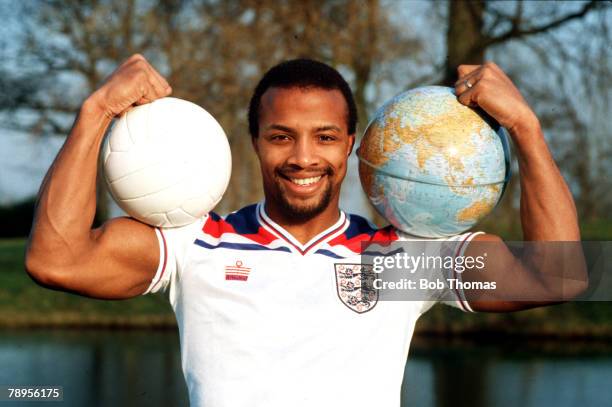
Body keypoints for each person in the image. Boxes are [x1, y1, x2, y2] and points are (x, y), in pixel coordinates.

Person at [25, 55, 587, 406]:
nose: (302, 157)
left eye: (323, 136)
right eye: (280, 136)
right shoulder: (194, 243)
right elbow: (57, 259)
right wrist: (96, 111)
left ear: (351, 146)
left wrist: (524, 127)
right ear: (254, 143)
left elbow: (558, 275)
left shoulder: (400, 258)